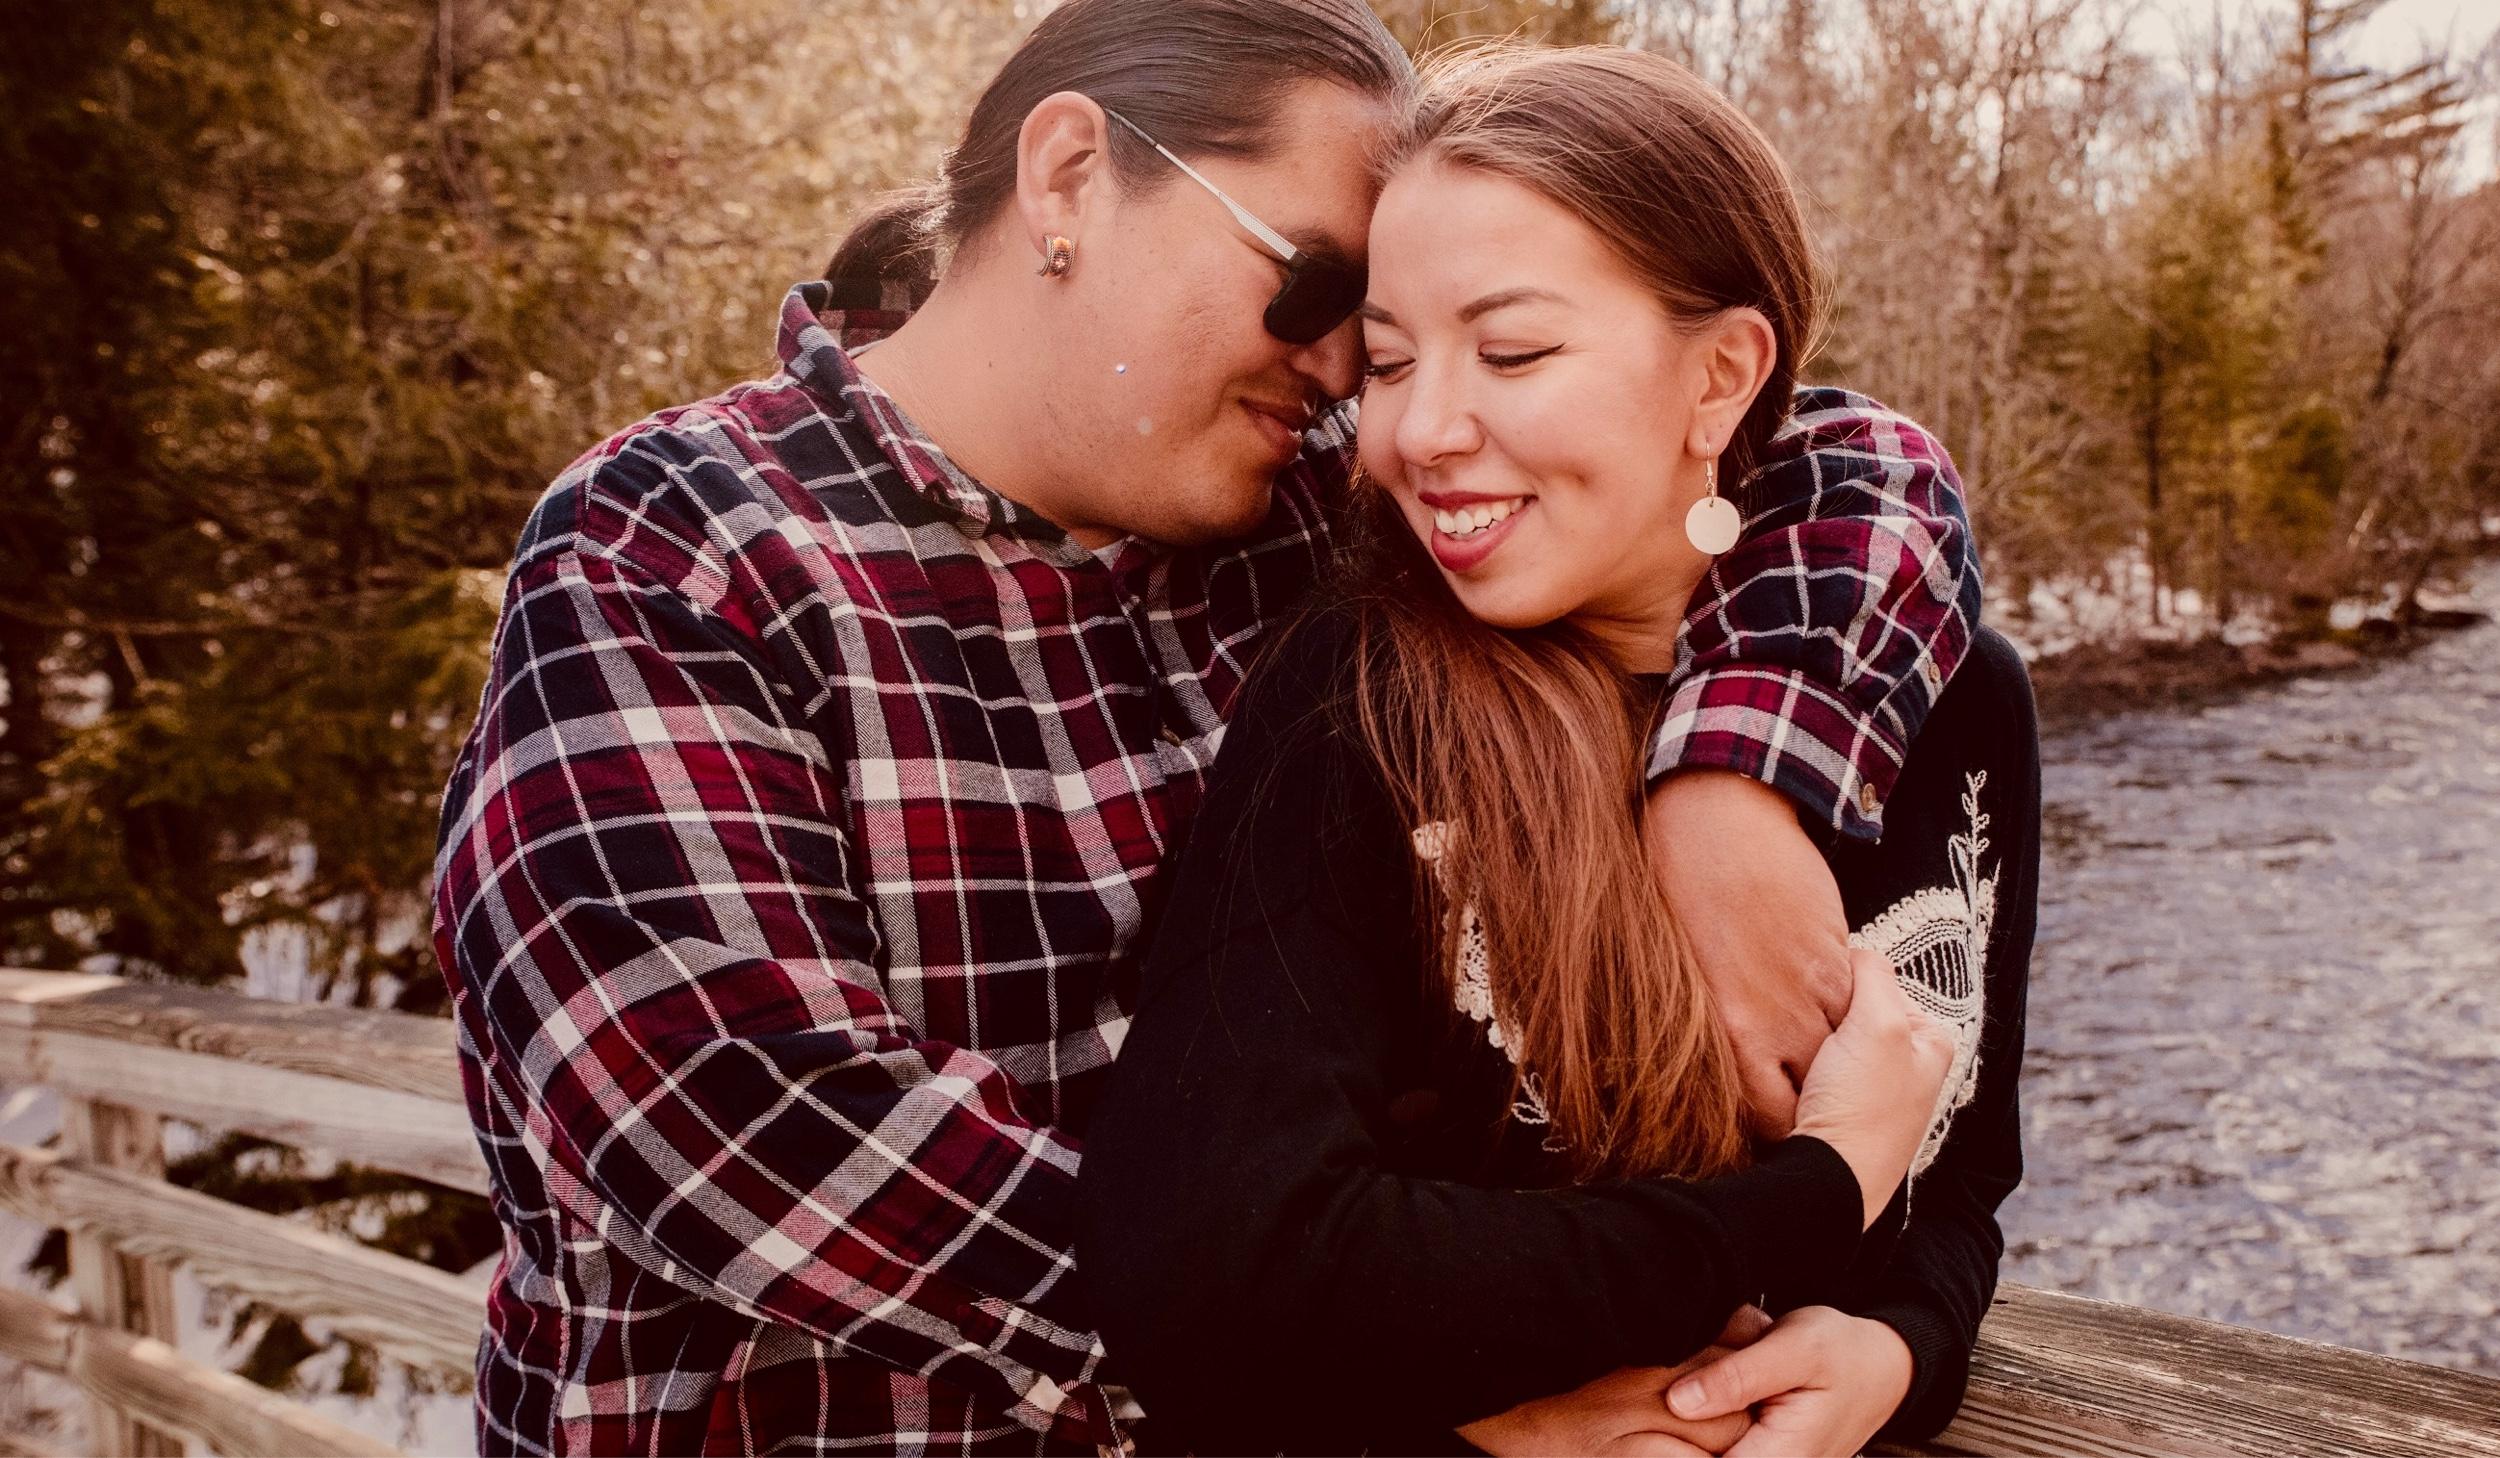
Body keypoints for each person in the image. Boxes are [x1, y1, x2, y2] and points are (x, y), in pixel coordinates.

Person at [428, 4, 1980, 1454]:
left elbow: (1843, 459)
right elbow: (745, 1125)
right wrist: (1425, 1365)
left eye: (1372, 330)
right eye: (1317, 289)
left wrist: (1737, 778)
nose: (1347, 373)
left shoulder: (1321, 511)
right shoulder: (672, 552)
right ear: (1070, 179)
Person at [1077, 44, 2040, 1457]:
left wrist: (1899, 1348)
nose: (1421, 431)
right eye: (1388, 362)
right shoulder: (1361, 702)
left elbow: (1960, 1187)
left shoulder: (1950, 702)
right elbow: (1229, 1276)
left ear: (1721, 375)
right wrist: (1816, 1189)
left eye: (1513, 351)